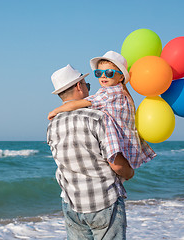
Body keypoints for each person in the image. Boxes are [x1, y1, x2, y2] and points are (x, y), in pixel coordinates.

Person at [47, 64, 134, 239]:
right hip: (104, 202)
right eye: (87, 85)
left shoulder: (52, 124)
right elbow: (116, 164)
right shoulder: (98, 118)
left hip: (71, 203)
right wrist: (129, 172)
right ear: (79, 86)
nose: (88, 89)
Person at [48, 51, 156, 171]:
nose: (103, 76)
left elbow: (81, 103)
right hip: (128, 145)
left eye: (109, 73)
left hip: (121, 144)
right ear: (79, 86)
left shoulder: (108, 93)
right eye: (99, 73)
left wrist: (56, 110)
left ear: (121, 77)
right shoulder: (119, 93)